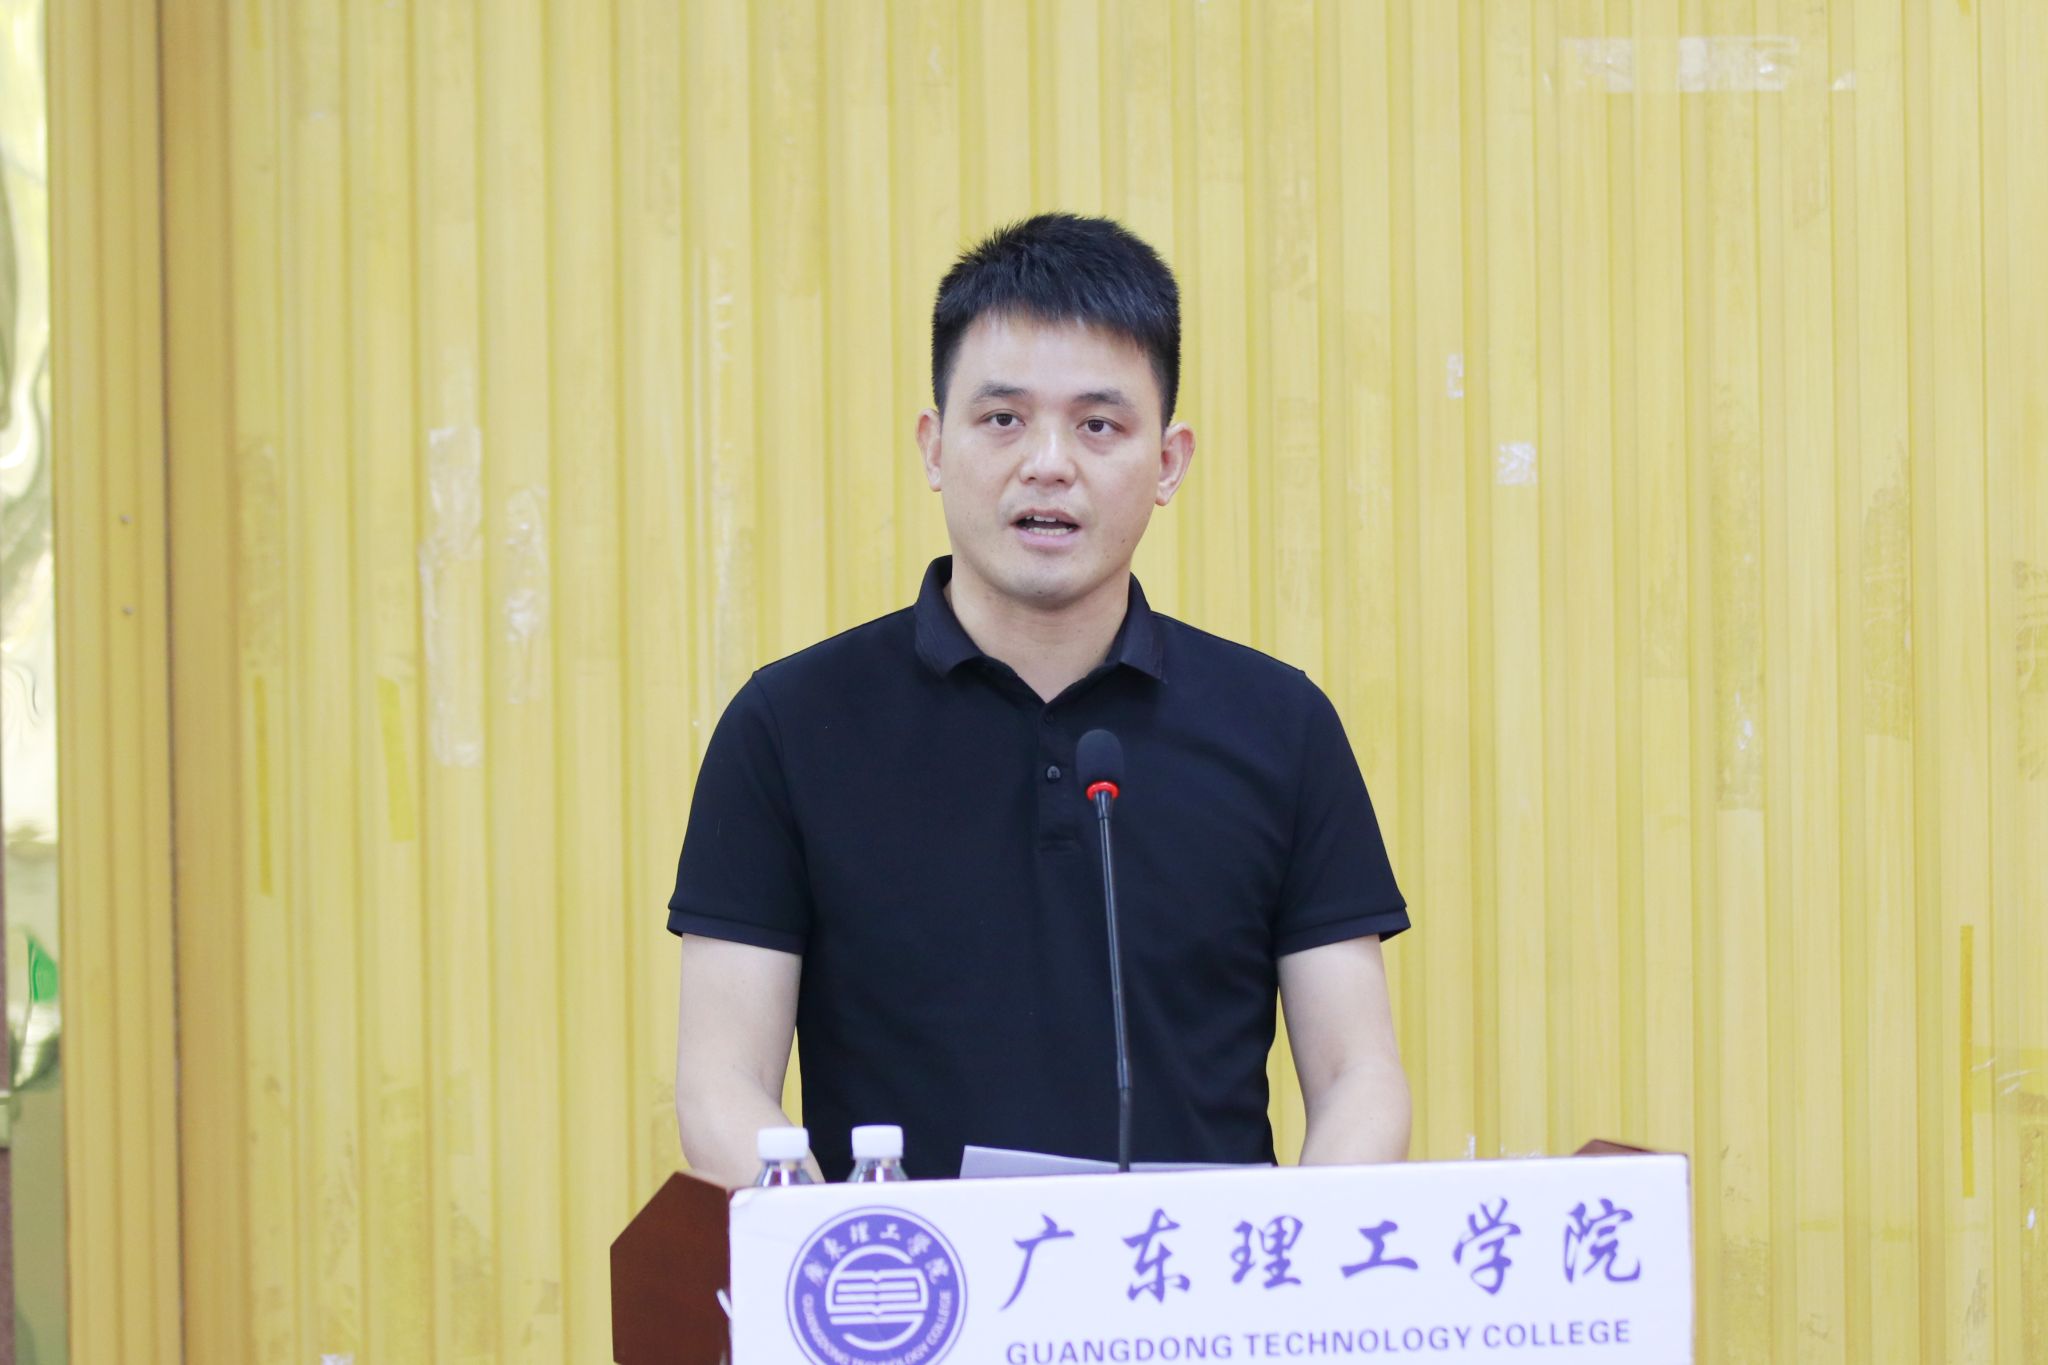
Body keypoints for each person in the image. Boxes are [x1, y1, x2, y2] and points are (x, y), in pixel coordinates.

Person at [670, 213, 1409, 1186]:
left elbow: (1359, 1077)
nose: (1048, 463)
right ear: (934, 447)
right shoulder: (789, 727)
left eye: (1098, 425)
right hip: (910, 1279)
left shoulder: (1280, 726)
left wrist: (1296, 1249)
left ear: (1168, 462)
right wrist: (850, 1247)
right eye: (1002, 419)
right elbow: (720, 1085)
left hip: (1191, 1283)